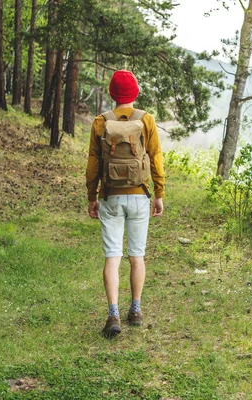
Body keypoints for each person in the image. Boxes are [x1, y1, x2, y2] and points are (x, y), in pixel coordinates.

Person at [85, 69, 165, 339]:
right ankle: (136, 310)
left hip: (110, 196)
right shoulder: (146, 120)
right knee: (137, 255)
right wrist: (159, 193)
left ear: (111, 94)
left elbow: (93, 163)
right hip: (139, 195)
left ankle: (113, 313)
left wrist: (92, 196)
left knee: (112, 257)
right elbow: (155, 158)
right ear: (136, 93)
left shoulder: (100, 122)